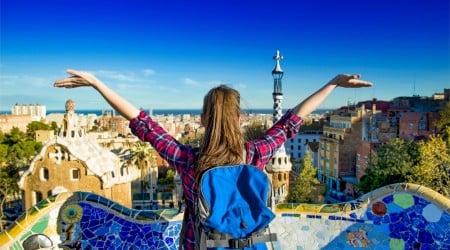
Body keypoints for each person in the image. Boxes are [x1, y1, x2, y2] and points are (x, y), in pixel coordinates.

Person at [54, 69, 372, 249]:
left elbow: (144, 124)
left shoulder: (188, 160)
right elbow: (292, 122)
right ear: (239, 118)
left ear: (204, 119)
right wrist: (333, 83)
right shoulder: (255, 154)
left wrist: (97, 84)